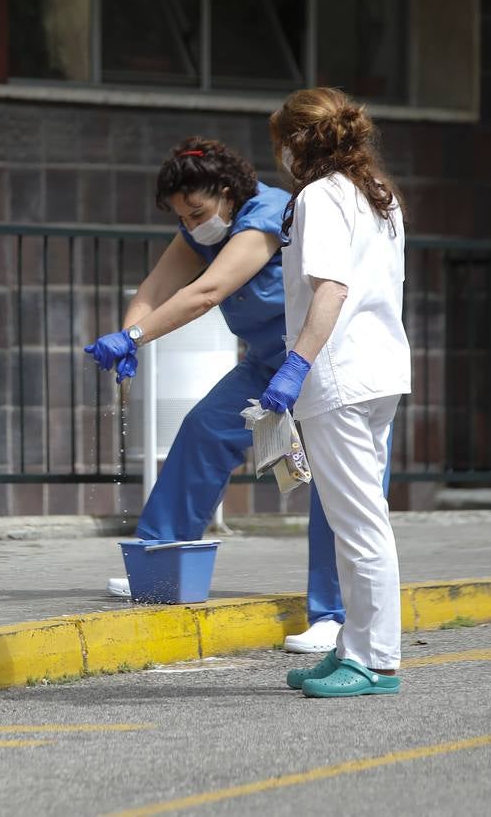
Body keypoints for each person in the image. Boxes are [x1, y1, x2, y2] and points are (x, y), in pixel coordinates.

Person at [83, 136, 386, 653]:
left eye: (197, 210)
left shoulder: (268, 213)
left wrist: (134, 338)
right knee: (205, 426)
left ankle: (333, 615)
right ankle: (163, 563)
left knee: (337, 484)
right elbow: (154, 291)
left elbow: (207, 292)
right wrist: (129, 336)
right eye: (181, 217)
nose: (192, 223)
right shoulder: (201, 230)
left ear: (226, 191)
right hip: (268, 364)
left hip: (322, 361)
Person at [263, 88, 410, 697]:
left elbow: (331, 289)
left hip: (338, 375)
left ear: (298, 144)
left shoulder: (320, 197)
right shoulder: (379, 193)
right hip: (378, 370)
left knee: (357, 522)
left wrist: (296, 365)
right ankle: (355, 645)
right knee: (355, 516)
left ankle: (375, 660)